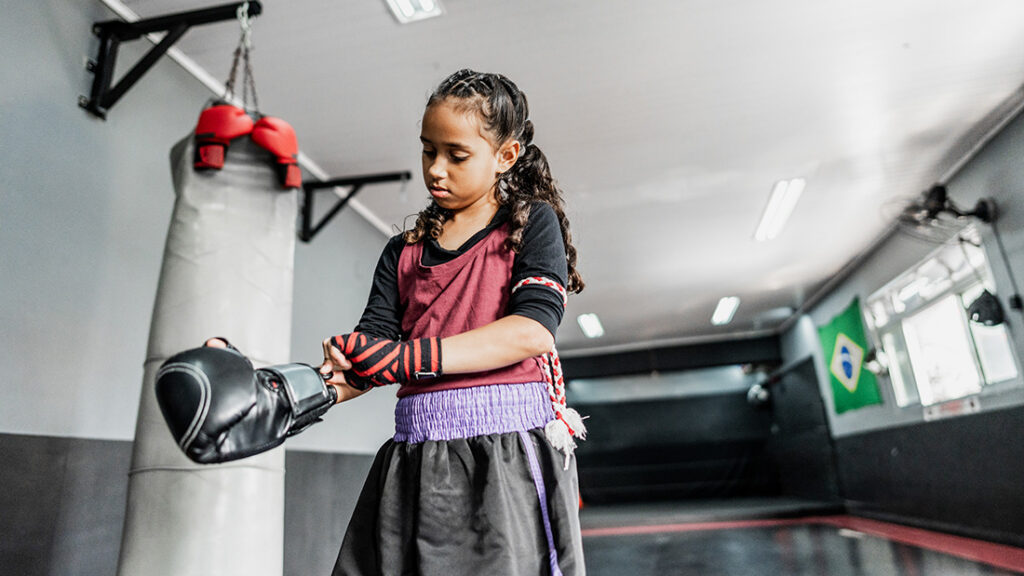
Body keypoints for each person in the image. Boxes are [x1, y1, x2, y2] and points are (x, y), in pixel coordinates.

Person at [319, 69, 587, 576]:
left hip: (503, 459)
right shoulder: (402, 252)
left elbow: (532, 330)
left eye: (456, 155)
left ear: (504, 156)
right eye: (427, 151)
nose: (435, 170)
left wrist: (405, 358)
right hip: (415, 459)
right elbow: (370, 356)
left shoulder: (529, 225)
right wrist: (298, 393)